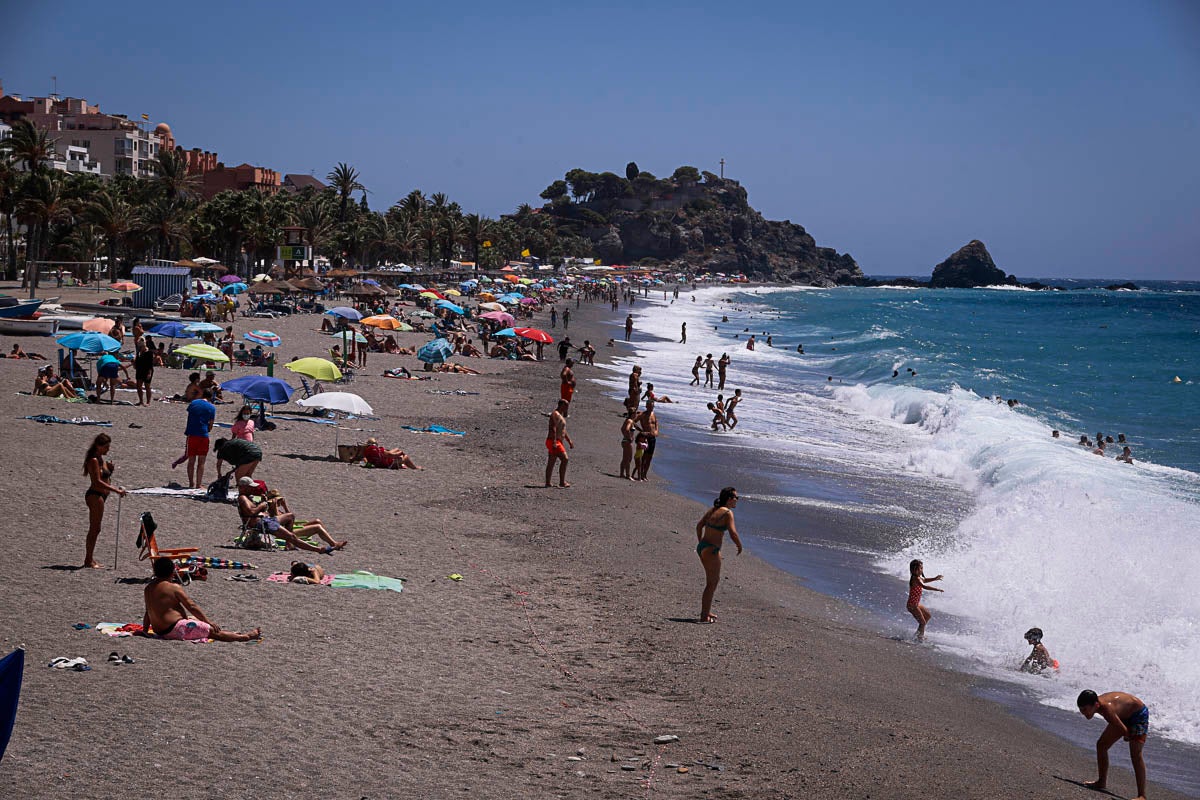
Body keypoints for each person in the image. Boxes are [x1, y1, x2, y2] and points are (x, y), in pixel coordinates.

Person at [144, 557, 261, 642]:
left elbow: (148, 611)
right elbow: (191, 606)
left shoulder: (148, 588)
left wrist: (145, 631)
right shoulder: (173, 587)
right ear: (172, 573)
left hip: (160, 630)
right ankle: (245, 637)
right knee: (213, 632)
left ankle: (230, 633)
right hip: (174, 629)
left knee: (195, 619)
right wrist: (208, 622)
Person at [237, 479, 346, 553]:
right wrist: (263, 505)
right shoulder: (243, 498)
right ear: (244, 487)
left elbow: (254, 511)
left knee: (290, 516)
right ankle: (319, 550)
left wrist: (281, 505)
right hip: (261, 523)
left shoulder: (248, 497)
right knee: (293, 536)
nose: (252, 489)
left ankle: (289, 545)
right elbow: (252, 513)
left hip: (266, 520)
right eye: (250, 487)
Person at [1076, 690, 1149, 800]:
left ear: (1096, 705)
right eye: (1081, 710)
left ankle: (1142, 795)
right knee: (1101, 745)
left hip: (1138, 715)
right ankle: (1101, 782)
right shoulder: (1097, 704)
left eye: (1085, 710)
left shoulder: (1107, 709)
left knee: (1136, 755)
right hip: (1122, 715)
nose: (1083, 713)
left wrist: (1129, 736)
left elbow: (1125, 731)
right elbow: (1119, 725)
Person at [695, 487, 743, 624]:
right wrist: (739, 546)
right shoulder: (727, 513)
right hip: (712, 550)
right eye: (736, 498)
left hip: (703, 547)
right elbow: (733, 533)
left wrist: (701, 543)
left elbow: (699, 526)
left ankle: (706, 611)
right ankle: (704, 616)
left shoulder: (713, 510)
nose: (737, 501)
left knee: (711, 582)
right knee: (712, 583)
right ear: (729, 499)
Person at [82, 433, 126, 569]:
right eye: (106, 447)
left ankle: (89, 558)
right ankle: (88, 559)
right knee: (94, 528)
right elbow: (97, 482)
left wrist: (110, 470)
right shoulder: (93, 460)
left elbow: (104, 476)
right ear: (98, 446)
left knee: (96, 528)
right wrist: (116, 490)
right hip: (95, 496)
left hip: (101, 496)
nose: (108, 449)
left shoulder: (101, 459)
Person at [173, 388, 216, 489]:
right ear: (211, 397)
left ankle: (191, 483)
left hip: (192, 434)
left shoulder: (194, 403)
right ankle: (198, 484)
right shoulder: (212, 408)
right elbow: (211, 425)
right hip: (203, 435)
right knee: (201, 462)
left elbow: (190, 415)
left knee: (191, 461)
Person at [906, 559, 944, 642]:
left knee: (927, 616)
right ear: (913, 569)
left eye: (922, 568)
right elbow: (924, 586)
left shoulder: (919, 578)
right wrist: (937, 589)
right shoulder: (915, 579)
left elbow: (924, 580)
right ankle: (920, 637)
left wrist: (935, 578)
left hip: (916, 604)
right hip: (912, 605)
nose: (921, 570)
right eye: (919, 568)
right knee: (922, 622)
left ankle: (918, 633)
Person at [544, 399, 574, 488]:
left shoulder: (560, 415)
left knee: (551, 461)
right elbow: (553, 428)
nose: (567, 408)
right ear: (561, 405)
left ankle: (548, 482)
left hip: (557, 440)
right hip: (554, 440)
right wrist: (554, 441)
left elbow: (563, 430)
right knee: (565, 459)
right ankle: (562, 482)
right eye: (566, 405)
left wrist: (569, 441)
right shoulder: (555, 414)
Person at [635, 399, 659, 481]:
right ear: (646, 406)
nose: (651, 408)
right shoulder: (643, 414)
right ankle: (640, 474)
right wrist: (641, 430)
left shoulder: (653, 414)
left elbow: (656, 423)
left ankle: (645, 474)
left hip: (652, 437)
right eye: (650, 406)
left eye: (652, 407)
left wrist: (656, 431)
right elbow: (633, 422)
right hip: (645, 437)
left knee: (649, 457)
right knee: (643, 457)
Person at [133, 340, 155, 406]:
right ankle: (141, 401)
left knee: (147, 386)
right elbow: (136, 363)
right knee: (138, 386)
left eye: (141, 346)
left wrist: (149, 373)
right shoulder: (138, 353)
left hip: (147, 370)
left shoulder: (149, 353)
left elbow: (150, 364)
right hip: (139, 370)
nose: (140, 348)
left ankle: (148, 402)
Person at [619, 411, 636, 480]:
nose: (636, 415)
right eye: (635, 413)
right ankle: (628, 475)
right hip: (627, 441)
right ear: (633, 414)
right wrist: (630, 438)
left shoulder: (628, 420)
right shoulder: (630, 421)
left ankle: (622, 474)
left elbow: (622, 429)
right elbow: (626, 429)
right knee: (628, 459)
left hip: (625, 441)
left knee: (625, 458)